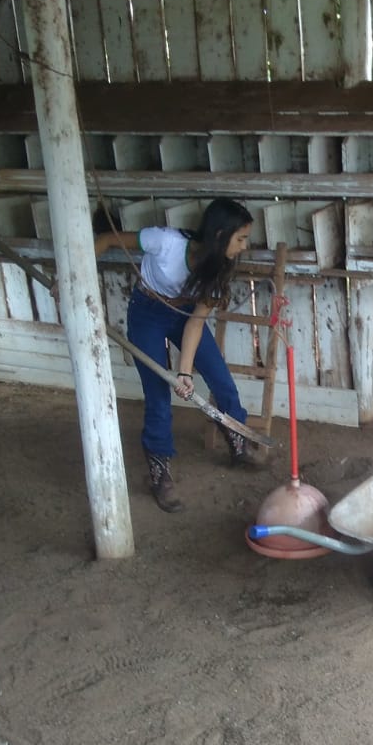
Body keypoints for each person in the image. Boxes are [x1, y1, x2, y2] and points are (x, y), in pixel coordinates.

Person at [94, 198, 256, 513]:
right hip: (147, 313)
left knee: (221, 380)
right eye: (241, 238)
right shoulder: (166, 242)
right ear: (220, 234)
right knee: (158, 394)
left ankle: (237, 438)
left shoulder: (220, 268)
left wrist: (184, 373)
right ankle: (160, 470)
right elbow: (108, 239)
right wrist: (69, 276)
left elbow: (196, 321)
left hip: (185, 316)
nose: (244, 246)